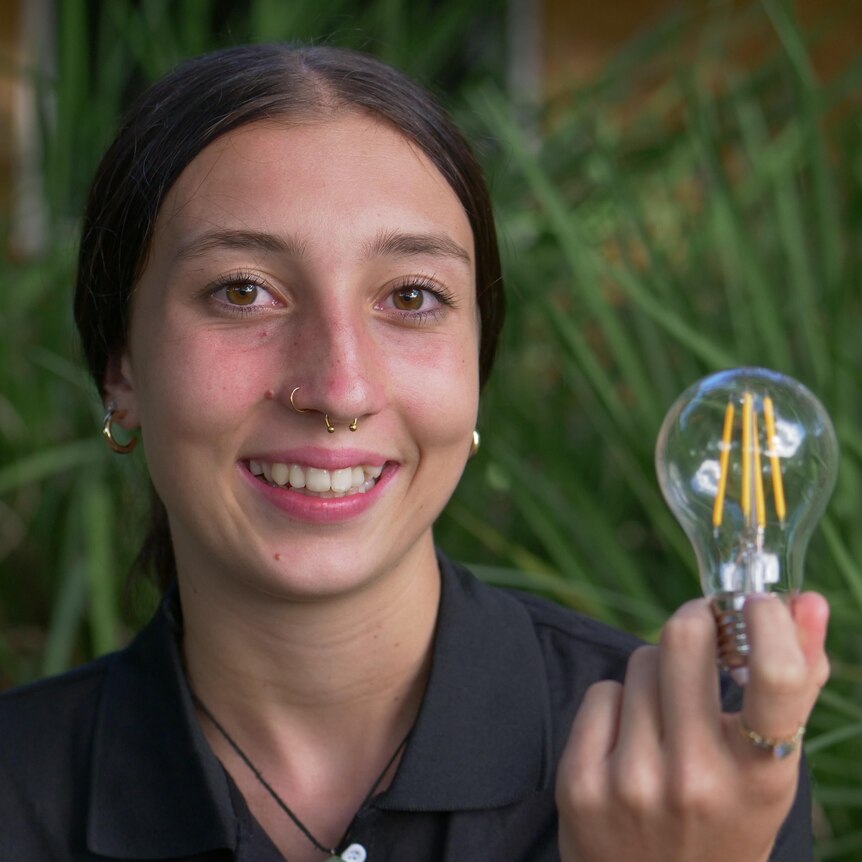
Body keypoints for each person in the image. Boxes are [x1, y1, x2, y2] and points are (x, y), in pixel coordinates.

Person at [0, 43, 828, 862]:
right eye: (243, 290)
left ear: (477, 365)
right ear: (122, 368)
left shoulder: (688, 766)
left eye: (411, 297)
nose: (341, 386)